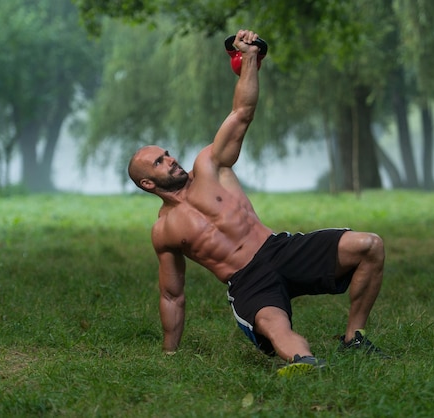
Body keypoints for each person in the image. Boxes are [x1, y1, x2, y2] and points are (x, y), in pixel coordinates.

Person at [128, 29, 388, 375]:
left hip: (277, 249)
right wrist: (169, 355)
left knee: (369, 245)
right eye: (159, 162)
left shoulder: (210, 165)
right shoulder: (164, 231)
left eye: (167, 153)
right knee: (275, 325)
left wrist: (249, 57)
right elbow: (172, 295)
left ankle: (354, 338)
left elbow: (241, 113)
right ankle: (305, 364)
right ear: (147, 183)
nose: (171, 160)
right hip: (247, 280)